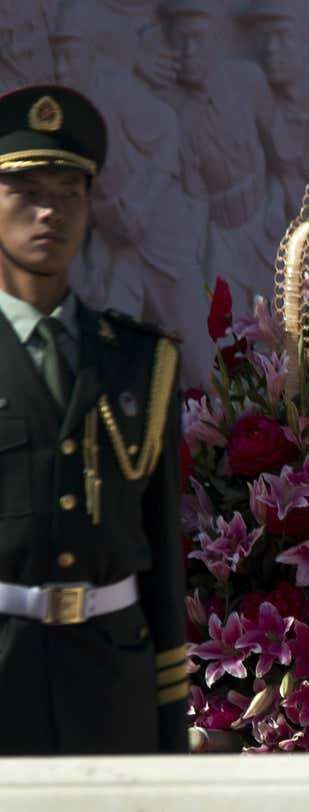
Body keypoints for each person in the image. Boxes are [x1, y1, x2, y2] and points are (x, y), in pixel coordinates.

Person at [0, 86, 188, 754]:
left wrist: (171, 730)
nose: (50, 211)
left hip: (114, 688)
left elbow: (164, 564)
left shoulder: (141, 361)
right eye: (25, 190)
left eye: (70, 191)